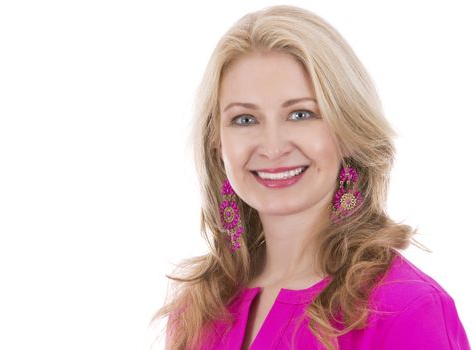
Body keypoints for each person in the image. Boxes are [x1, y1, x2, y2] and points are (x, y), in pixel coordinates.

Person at [151, 5, 471, 349]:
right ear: (217, 142)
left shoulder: (406, 310)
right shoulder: (198, 309)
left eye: (301, 114)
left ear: (347, 130)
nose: (272, 148)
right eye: (245, 119)